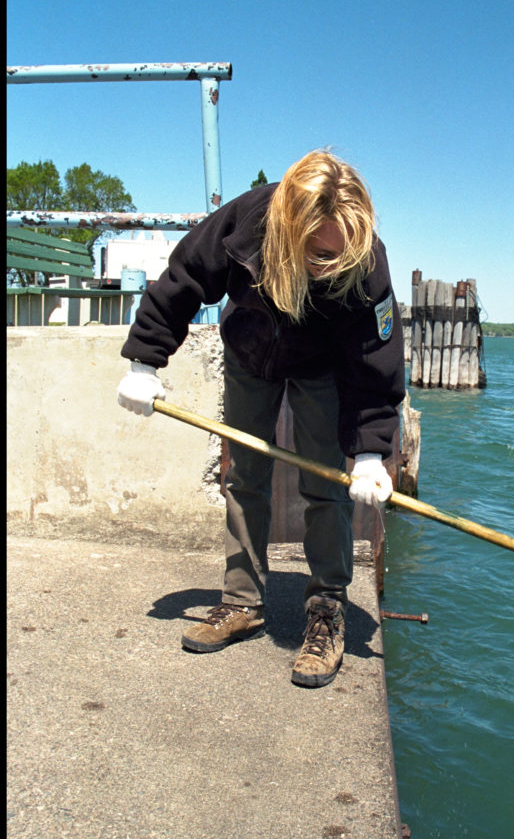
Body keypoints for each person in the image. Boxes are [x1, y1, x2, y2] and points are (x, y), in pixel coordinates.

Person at [117, 150, 405, 688]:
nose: (329, 266)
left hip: (323, 369)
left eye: (339, 257)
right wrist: (144, 361)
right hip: (252, 353)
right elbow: (184, 277)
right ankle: (242, 602)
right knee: (244, 477)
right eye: (318, 254)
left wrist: (370, 451)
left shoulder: (365, 261)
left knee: (326, 484)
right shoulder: (248, 220)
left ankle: (326, 612)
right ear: (289, 227)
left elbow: (376, 360)